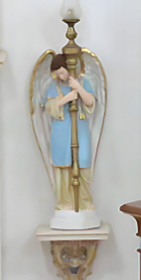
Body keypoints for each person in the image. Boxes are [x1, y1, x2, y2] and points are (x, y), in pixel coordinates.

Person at [45, 54, 97, 212]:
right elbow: (49, 106)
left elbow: (90, 102)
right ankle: (65, 202)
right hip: (61, 130)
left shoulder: (83, 82)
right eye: (57, 74)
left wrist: (78, 88)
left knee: (83, 162)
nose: (59, 77)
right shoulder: (55, 86)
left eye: (61, 72)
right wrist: (66, 99)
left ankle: (84, 202)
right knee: (64, 166)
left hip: (79, 127)